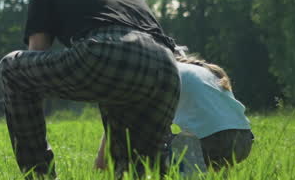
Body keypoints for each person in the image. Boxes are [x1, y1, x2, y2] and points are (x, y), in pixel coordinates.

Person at [0, 0, 179, 180]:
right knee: (137, 178)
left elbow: (36, 53)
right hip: (167, 66)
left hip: (112, 50)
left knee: (13, 70)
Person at [94, 55, 254, 173]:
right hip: (244, 142)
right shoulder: (203, 72)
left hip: (212, 142)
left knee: (141, 149)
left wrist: (100, 168)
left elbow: (148, 129)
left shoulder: (163, 73)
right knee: (200, 143)